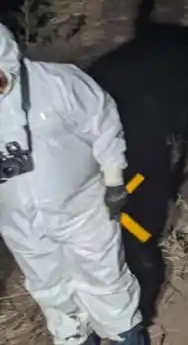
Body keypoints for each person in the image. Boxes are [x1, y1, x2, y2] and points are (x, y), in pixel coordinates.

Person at [0, 23, 149, 345]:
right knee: (47, 283)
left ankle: (124, 332)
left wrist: (113, 180)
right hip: (17, 220)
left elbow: (102, 124)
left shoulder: (57, 84)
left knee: (103, 275)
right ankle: (75, 337)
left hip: (81, 206)